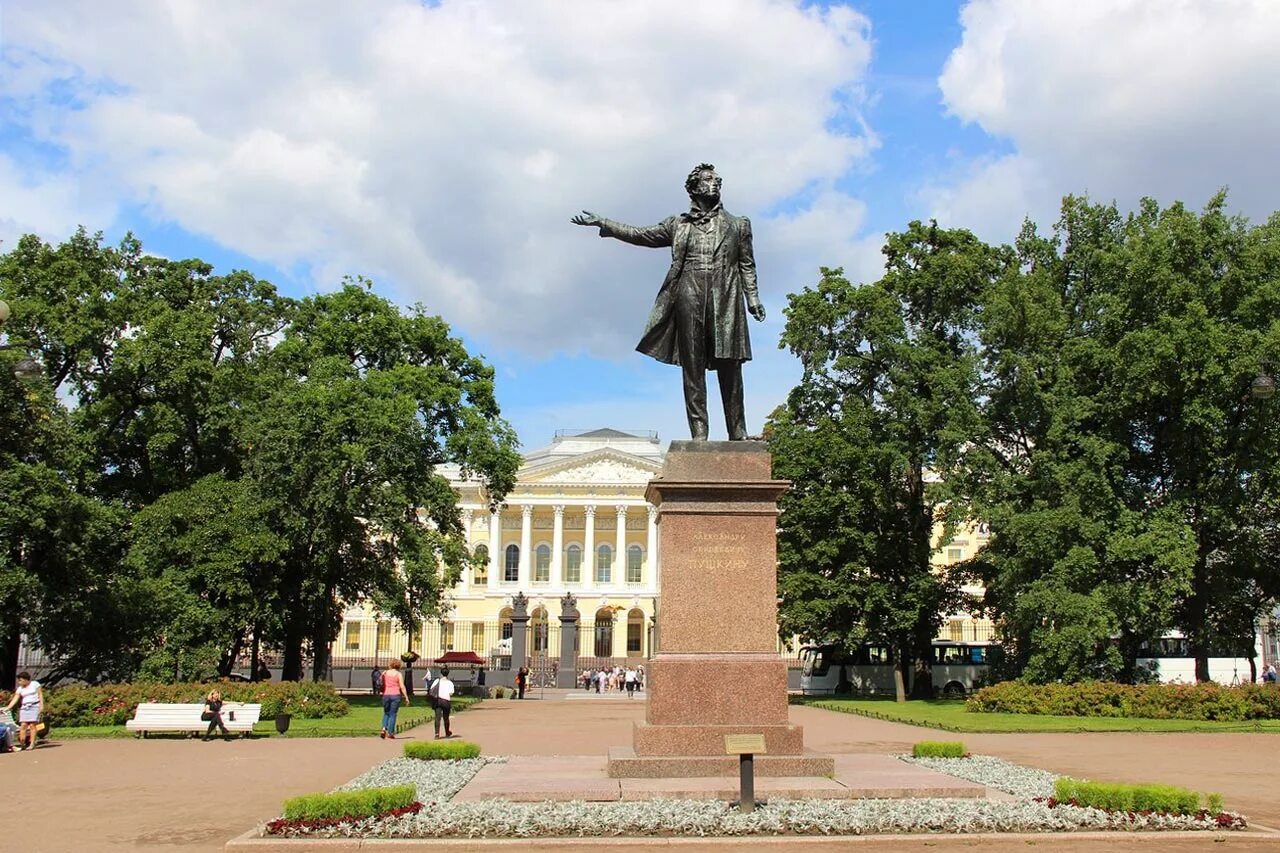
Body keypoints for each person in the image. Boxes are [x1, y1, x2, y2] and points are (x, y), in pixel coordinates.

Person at [573, 163, 766, 440]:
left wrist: (753, 298)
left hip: (726, 297)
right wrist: (605, 223)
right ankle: (699, 434)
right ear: (694, 187)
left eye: (717, 179)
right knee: (693, 366)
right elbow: (641, 235)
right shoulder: (677, 225)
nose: (716, 182)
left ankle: (738, 433)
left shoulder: (738, 224)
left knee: (730, 366)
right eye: (709, 179)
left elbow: (747, 264)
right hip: (688, 292)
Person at [5, 672, 43, 751]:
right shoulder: (20, 688)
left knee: (32, 725)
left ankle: (32, 743)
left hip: (34, 706)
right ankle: (22, 743)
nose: (19, 682)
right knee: (23, 725)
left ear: (26, 680)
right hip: (24, 707)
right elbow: (15, 698)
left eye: (21, 680)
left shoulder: (35, 684)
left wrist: (41, 706)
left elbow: (40, 695)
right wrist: (8, 707)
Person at [379, 659, 410, 739]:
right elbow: (402, 686)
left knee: (386, 713)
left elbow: (380, 682)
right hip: (395, 695)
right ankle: (390, 733)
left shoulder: (384, 673)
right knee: (393, 714)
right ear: (398, 666)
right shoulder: (398, 674)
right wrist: (406, 697)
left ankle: (383, 729)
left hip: (386, 695)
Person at [432, 667, 455, 739]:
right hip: (446, 701)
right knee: (446, 718)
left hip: (438, 700)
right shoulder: (450, 683)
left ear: (441, 673)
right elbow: (451, 693)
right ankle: (447, 732)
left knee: (437, 717)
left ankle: (436, 734)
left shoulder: (437, 681)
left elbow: (431, 689)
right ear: (448, 674)